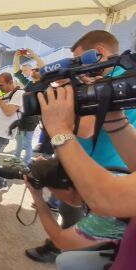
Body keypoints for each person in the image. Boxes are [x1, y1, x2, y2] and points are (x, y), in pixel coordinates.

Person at [25, 30, 136, 265]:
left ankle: (63, 246)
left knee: (73, 230)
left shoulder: (115, 82)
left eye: (80, 62)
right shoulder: (114, 85)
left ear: (99, 54)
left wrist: (59, 128)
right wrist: (113, 117)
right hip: (104, 172)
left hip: (104, 172)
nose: (79, 72)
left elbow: (106, 198)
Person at [23, 159, 127, 270]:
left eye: (53, 191)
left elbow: (60, 241)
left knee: (67, 261)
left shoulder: (106, 209)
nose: (56, 197)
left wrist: (37, 196)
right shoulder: (108, 179)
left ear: (67, 189)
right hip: (124, 241)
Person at [7, 49, 45, 166]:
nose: (34, 70)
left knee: (27, 141)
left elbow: (44, 66)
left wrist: (33, 54)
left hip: (32, 117)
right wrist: (16, 56)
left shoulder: (43, 83)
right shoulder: (29, 83)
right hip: (22, 115)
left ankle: (26, 162)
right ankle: (17, 157)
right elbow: (17, 71)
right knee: (19, 139)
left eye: (37, 69)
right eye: (33, 69)